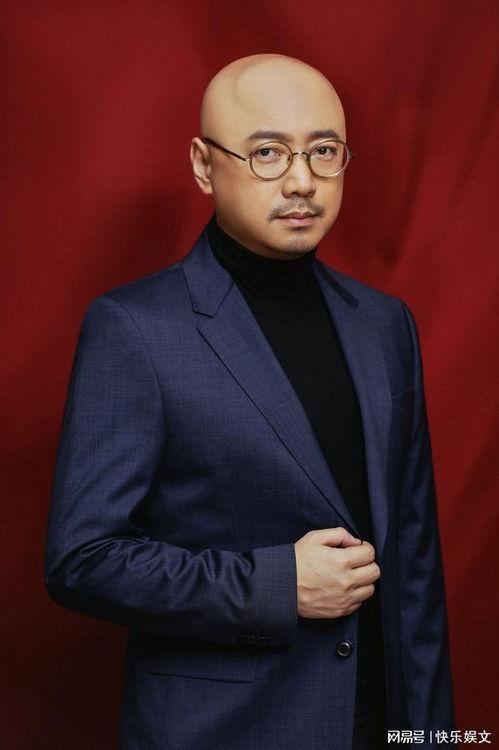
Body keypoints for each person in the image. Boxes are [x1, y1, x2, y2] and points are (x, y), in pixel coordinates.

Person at [44, 53, 455, 750]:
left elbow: (415, 569)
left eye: (323, 151)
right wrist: (277, 585)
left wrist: (431, 739)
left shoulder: (385, 325)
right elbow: (83, 559)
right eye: (267, 152)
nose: (301, 181)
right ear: (204, 166)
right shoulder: (135, 328)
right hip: (227, 730)